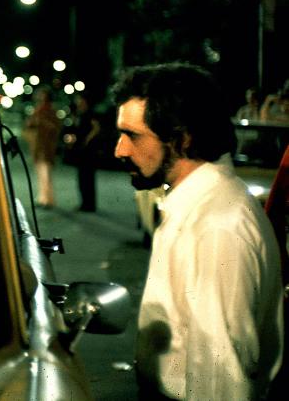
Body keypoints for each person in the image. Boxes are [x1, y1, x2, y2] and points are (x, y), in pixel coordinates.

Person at [112, 63, 283, 400]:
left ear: (182, 138)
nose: (120, 150)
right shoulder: (198, 207)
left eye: (133, 135)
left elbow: (220, 381)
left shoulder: (218, 225)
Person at [23, 86, 62, 208]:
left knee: (46, 173)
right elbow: (30, 125)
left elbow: (54, 127)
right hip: (38, 146)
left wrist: (41, 123)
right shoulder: (38, 110)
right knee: (40, 173)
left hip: (46, 146)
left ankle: (48, 199)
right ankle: (42, 197)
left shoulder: (50, 111)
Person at [69, 93, 100, 212]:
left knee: (88, 178)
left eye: (80, 101)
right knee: (82, 178)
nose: (78, 103)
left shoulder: (90, 114)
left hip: (88, 150)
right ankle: (84, 203)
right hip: (81, 149)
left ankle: (89, 204)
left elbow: (96, 128)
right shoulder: (79, 114)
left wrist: (87, 139)